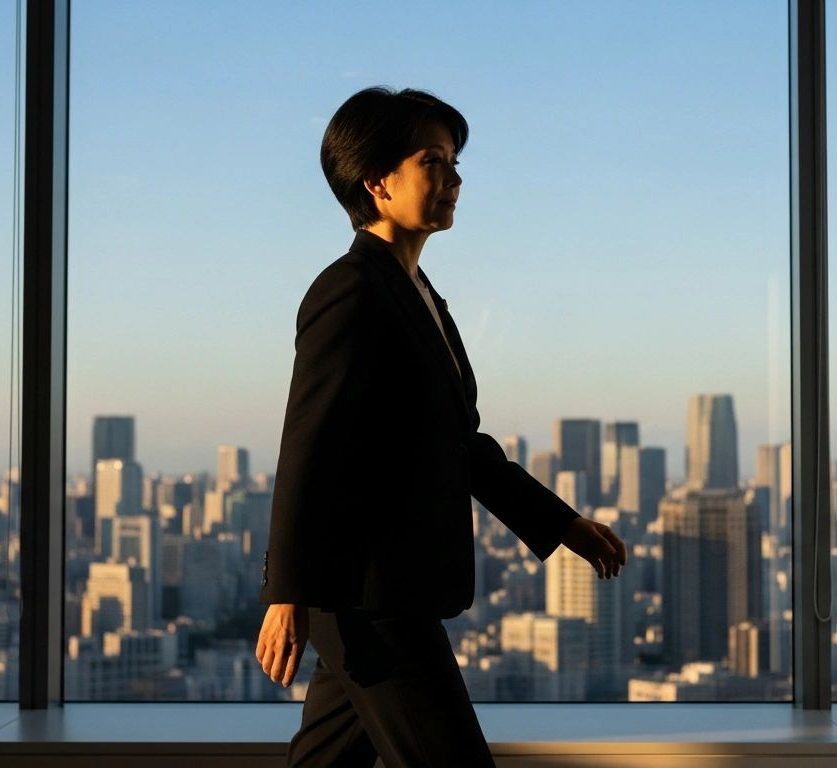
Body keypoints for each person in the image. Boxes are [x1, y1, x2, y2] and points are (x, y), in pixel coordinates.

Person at [254, 86, 627, 768]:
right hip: (368, 598)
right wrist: (286, 594)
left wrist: (561, 524)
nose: (456, 179)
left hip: (382, 590)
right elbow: (310, 445)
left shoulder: (421, 297)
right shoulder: (351, 290)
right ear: (377, 182)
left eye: (455, 162)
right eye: (436, 162)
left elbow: (463, 444)